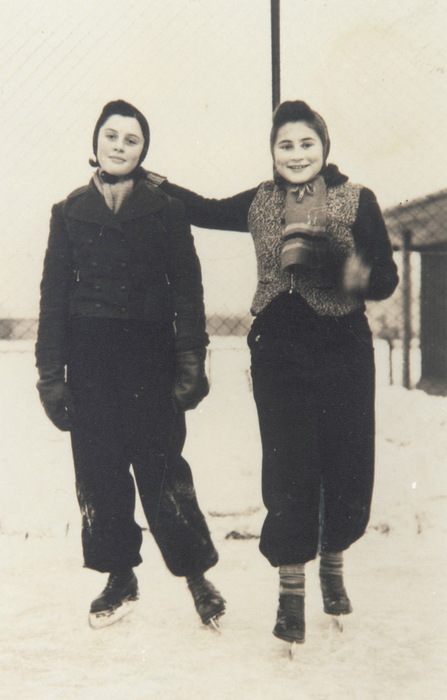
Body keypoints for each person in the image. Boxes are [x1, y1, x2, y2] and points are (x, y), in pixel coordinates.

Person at [147, 100, 399, 645]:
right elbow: (207, 208)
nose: (297, 153)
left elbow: (385, 280)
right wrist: (154, 180)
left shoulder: (358, 200)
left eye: (307, 143)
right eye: (286, 144)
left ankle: (332, 564)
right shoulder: (262, 200)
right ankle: (291, 596)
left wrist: (352, 270)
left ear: (324, 147)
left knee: (345, 463)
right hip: (279, 350)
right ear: (273, 152)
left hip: (343, 347)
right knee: (289, 469)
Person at [35, 99, 225, 630]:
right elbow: (52, 301)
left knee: (163, 470)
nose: (119, 146)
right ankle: (119, 575)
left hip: (150, 361)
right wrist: (50, 376)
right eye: (111, 136)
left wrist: (191, 358)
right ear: (95, 142)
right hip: (89, 363)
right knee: (99, 474)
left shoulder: (165, 209)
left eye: (132, 139)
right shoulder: (68, 210)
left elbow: (188, 289)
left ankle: (196, 577)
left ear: (144, 151)